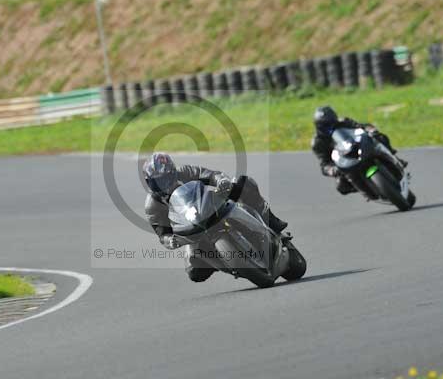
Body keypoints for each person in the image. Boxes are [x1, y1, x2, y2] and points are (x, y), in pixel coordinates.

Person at [143, 152, 288, 283]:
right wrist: (170, 240)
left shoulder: (185, 172)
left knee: (243, 183)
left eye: (166, 178)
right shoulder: (152, 205)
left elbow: (211, 175)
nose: (163, 184)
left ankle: (271, 219)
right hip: (191, 229)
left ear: (173, 172)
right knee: (195, 273)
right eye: (157, 182)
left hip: (211, 205)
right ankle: (224, 260)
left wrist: (221, 181)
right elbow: (162, 234)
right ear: (149, 183)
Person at [311, 106, 407, 195]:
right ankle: (367, 190)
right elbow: (324, 164)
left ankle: (394, 158)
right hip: (344, 161)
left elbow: (362, 126)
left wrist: (371, 130)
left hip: (358, 146)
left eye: (332, 123)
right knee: (341, 186)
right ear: (318, 127)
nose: (330, 128)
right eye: (325, 126)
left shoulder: (344, 121)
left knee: (379, 137)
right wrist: (332, 170)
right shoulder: (317, 143)